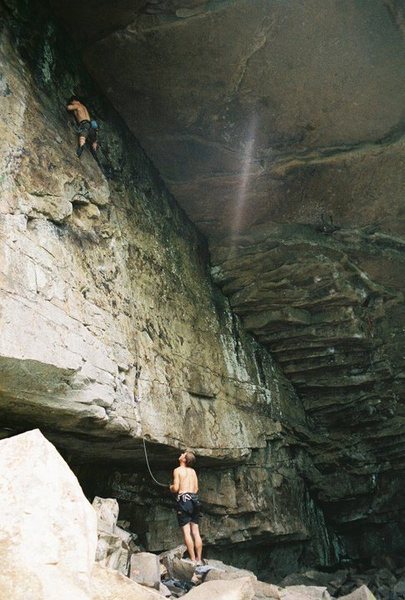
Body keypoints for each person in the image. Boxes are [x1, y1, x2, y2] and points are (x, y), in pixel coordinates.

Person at [170, 450, 203, 564]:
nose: (181, 454)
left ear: (184, 459)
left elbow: (176, 488)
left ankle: (193, 560)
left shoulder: (177, 470)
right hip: (195, 501)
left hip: (184, 502)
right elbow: (196, 489)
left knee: (187, 532)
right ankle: (199, 559)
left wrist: (171, 488)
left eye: (183, 454)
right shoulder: (193, 471)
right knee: (196, 532)